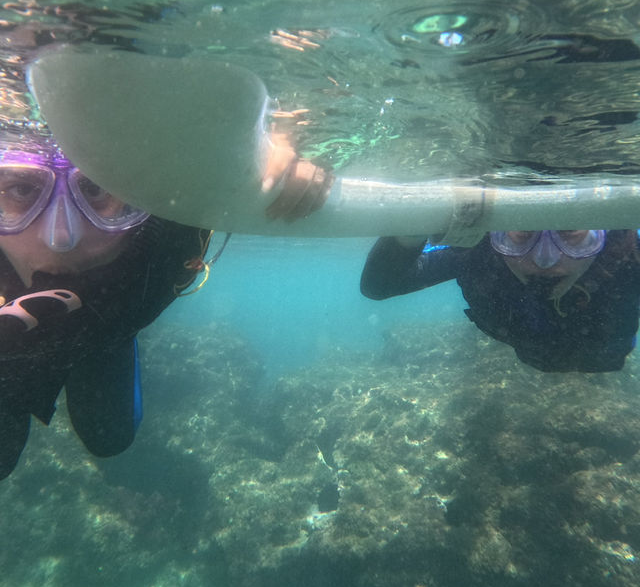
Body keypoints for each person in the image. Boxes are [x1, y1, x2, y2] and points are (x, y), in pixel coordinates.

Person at [0, 126, 333, 479]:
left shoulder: (174, 231)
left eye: (97, 188)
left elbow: (257, 152)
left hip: (107, 338)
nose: (60, 239)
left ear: (143, 196)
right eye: (21, 189)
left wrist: (281, 153)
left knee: (110, 439)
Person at [361, 229, 640, 373]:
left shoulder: (630, 258)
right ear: (497, 233)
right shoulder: (478, 253)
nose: (545, 260)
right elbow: (380, 285)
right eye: (522, 234)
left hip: (603, 356)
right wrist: (414, 228)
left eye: (570, 234)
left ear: (605, 234)